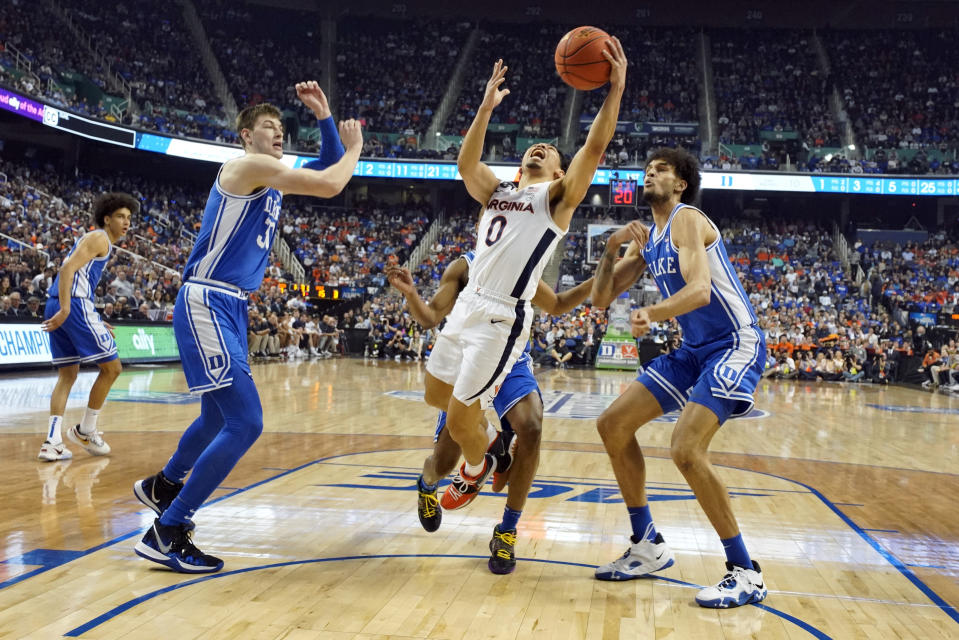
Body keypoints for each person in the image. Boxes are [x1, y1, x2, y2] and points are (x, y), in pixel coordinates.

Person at [132, 81, 362, 574]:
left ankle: (163, 485)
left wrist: (323, 117)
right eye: (268, 128)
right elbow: (331, 183)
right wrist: (355, 148)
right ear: (245, 136)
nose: (278, 134)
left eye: (282, 128)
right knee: (247, 422)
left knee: (218, 419)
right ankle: (168, 530)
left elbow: (321, 167)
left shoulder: (272, 174)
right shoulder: (249, 167)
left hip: (230, 305)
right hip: (209, 300)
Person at [437, 41, 627, 507]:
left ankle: (485, 469)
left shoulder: (556, 199)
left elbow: (595, 147)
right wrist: (484, 108)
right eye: (533, 148)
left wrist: (614, 89)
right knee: (435, 401)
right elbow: (465, 165)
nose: (538, 148)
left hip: (503, 316)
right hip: (470, 304)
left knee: (465, 422)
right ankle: (492, 453)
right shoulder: (497, 190)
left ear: (560, 172)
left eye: (549, 151)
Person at [590, 147, 767, 609]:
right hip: (692, 350)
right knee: (612, 425)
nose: (649, 174)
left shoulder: (687, 217)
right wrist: (609, 251)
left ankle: (746, 571)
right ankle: (647, 544)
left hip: (733, 342)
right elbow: (601, 297)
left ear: (681, 183)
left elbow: (701, 290)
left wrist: (653, 310)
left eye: (661, 170)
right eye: (646, 170)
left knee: (686, 449)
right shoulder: (647, 237)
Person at [386, 258, 593, 574]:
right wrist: (411, 294)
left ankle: (507, 530)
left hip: (511, 359)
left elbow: (557, 304)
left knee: (532, 427)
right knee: (442, 463)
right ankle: (428, 484)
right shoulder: (464, 267)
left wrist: (602, 277)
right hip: (467, 361)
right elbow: (429, 318)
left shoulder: (522, 262)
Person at [38, 193, 137, 462]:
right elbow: (68, 269)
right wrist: (70, 309)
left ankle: (52, 442)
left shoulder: (99, 241)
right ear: (107, 219)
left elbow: (76, 276)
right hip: (72, 305)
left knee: (67, 375)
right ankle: (86, 430)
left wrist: (85, 313)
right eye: (120, 216)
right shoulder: (99, 238)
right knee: (113, 368)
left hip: (63, 304)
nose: (126, 222)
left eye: (129, 218)